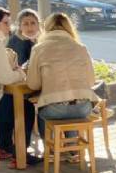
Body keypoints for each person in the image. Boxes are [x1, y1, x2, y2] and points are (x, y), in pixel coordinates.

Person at [27, 13, 99, 161]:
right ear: (69, 28)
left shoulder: (39, 49)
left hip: (54, 108)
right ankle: (73, 149)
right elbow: (91, 81)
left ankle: (51, 151)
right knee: (73, 110)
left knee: (45, 113)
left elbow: (32, 84)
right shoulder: (80, 47)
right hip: (83, 106)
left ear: (46, 28)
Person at [0, 9, 40, 166]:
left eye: (33, 23)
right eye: (25, 23)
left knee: (16, 105)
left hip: (5, 94)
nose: (30, 27)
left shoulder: (34, 42)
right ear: (19, 26)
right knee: (26, 109)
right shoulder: (18, 42)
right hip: (11, 92)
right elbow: (21, 69)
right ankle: (20, 154)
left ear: (39, 25)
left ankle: (5, 147)